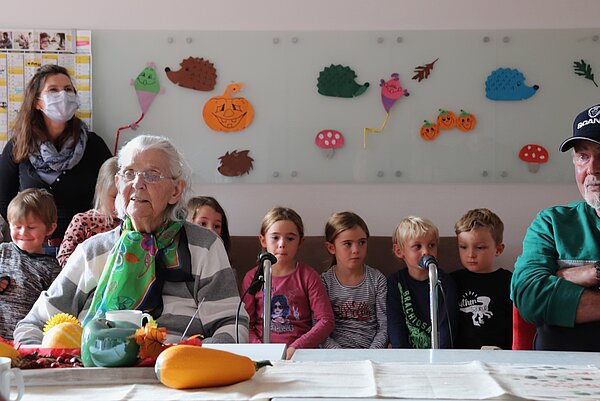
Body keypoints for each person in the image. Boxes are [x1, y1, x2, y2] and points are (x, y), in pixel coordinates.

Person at [14, 135, 246, 344]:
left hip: (176, 375)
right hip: (94, 370)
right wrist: (48, 364)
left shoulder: (203, 246)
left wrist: (193, 356)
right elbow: (32, 325)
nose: (137, 184)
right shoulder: (94, 250)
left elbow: (232, 327)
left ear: (175, 190)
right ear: (118, 183)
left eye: (152, 175)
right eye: (129, 174)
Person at [511, 103, 600, 352]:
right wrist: (596, 273)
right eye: (583, 156)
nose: (592, 169)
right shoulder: (551, 222)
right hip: (556, 374)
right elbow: (529, 297)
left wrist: (562, 278)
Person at [0, 64, 112, 255]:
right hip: (30, 252)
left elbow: (112, 196)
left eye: (68, 89)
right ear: (37, 102)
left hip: (83, 251)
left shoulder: (93, 145)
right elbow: (3, 200)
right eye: (53, 90)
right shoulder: (19, 146)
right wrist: (26, 233)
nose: (63, 95)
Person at [241, 207, 334, 359]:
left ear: (300, 242)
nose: (282, 244)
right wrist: (259, 349)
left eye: (290, 238)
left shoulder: (308, 276)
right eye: (275, 237)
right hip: (261, 353)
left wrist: (296, 347)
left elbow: (326, 320)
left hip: (299, 353)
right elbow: (245, 322)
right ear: (263, 240)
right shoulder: (252, 277)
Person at [387, 216, 458, 349]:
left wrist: (440, 356)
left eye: (431, 245)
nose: (426, 252)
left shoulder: (445, 282)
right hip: (407, 356)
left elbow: (447, 327)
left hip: (439, 354)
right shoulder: (396, 282)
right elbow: (395, 324)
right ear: (399, 251)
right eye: (417, 246)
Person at [321, 211, 388, 349]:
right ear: (331, 247)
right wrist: (341, 356)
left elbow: (385, 326)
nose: (356, 250)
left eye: (362, 242)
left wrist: (371, 354)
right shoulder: (324, 282)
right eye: (347, 244)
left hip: (371, 351)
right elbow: (319, 328)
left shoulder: (377, 280)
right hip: (335, 355)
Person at [0, 188, 61, 340]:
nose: (23, 233)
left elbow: (54, 311)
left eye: (31, 227)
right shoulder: (2, 251)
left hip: (27, 342)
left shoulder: (52, 269)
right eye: (17, 226)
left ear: (50, 228)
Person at [451, 208, 512, 350]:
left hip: (498, 354)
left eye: (480, 247)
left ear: (498, 249)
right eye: (463, 247)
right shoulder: (452, 281)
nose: (471, 254)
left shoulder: (508, 281)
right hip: (459, 356)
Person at [57, 157, 121, 267]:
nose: (120, 204)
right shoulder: (83, 221)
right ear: (100, 190)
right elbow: (64, 257)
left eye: (126, 198)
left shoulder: (133, 224)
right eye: (115, 197)